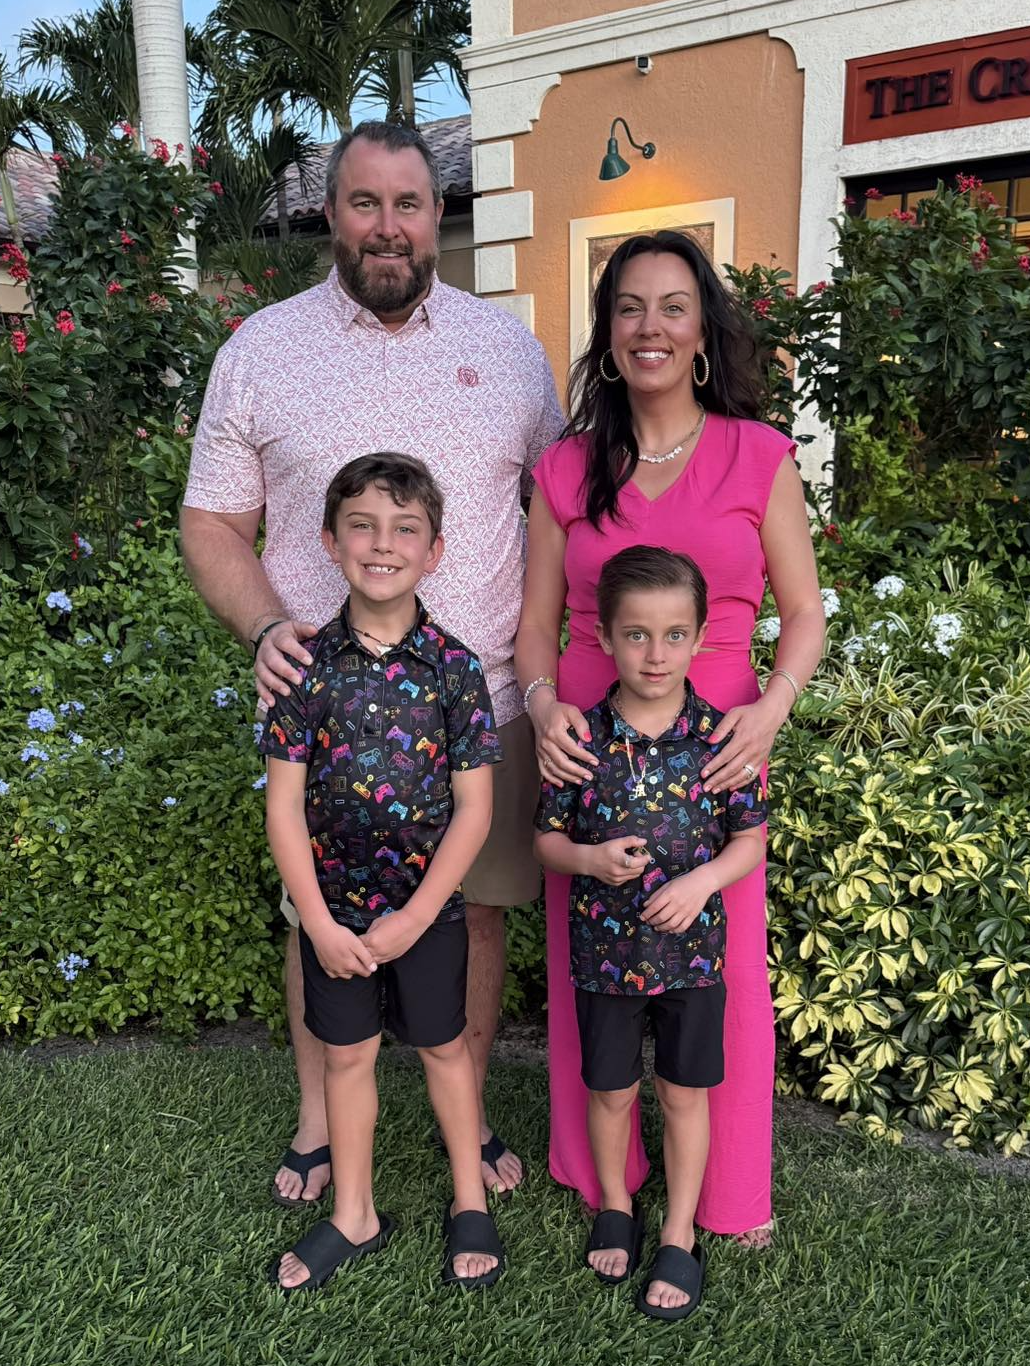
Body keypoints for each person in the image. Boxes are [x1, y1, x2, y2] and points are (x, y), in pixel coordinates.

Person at [181, 120, 563, 1205]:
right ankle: (317, 1116)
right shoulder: (260, 347)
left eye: (408, 204)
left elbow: (558, 513)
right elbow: (211, 521)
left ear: (433, 218)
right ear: (328, 214)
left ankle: (466, 1106)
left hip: (478, 700)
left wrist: (546, 663)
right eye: (364, 203)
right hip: (326, 706)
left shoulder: (508, 351)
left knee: (475, 910)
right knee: (320, 911)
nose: (388, 226)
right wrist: (265, 629)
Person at [515, 230, 825, 1246]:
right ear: (607, 335)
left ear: (701, 333)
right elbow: (537, 621)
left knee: (718, 976)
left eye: (672, 306)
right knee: (591, 965)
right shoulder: (566, 468)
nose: (650, 326)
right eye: (629, 307)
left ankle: (724, 1200)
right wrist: (538, 703)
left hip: (718, 743)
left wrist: (769, 708)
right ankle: (606, 1179)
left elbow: (805, 615)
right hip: (588, 750)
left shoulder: (757, 453)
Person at [263, 452, 505, 1293]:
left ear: (434, 550)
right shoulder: (302, 668)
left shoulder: (457, 669)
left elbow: (475, 809)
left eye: (405, 529)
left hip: (426, 913)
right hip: (336, 915)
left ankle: (469, 1200)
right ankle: (353, 1214)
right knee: (347, 1060)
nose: (382, 544)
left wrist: (416, 914)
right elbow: (284, 806)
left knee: (446, 1050)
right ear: (330, 541)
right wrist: (318, 922)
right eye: (362, 526)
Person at [535, 546, 766, 1319]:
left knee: (683, 1096)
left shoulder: (720, 738)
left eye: (674, 634)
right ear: (603, 637)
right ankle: (614, 1205)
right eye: (636, 634)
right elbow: (546, 841)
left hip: (693, 960)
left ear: (701, 638)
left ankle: (678, 1235)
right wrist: (590, 859)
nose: (656, 652)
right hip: (605, 959)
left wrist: (700, 882)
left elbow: (750, 841)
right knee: (609, 1093)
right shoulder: (579, 739)